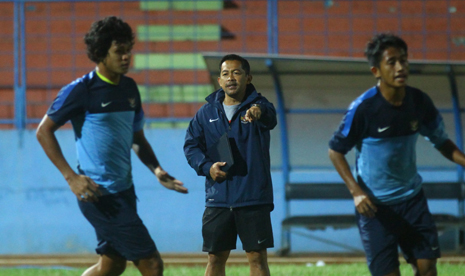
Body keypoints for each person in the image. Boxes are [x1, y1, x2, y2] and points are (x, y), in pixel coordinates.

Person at [36, 16, 188, 276]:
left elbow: (137, 139)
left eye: (129, 50)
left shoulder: (129, 88)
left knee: (111, 265)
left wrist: (157, 170)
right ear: (100, 53)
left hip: (124, 191)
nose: (127, 57)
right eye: (119, 51)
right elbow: (43, 132)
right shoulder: (81, 90)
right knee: (151, 264)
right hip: (99, 195)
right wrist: (71, 177)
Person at [328, 33, 465, 276]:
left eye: (404, 60)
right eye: (392, 62)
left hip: (412, 200)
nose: (400, 67)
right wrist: (356, 192)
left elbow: (442, 142)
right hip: (376, 208)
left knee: (427, 268)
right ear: (376, 71)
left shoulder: (419, 102)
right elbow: (336, 151)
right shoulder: (363, 109)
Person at [184, 54, 277, 276]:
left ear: (248, 77)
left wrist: (258, 111)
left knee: (257, 258)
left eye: (237, 72)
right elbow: (191, 147)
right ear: (219, 80)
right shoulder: (206, 113)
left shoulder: (261, 106)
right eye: (226, 73)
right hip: (219, 198)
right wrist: (208, 168)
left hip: (253, 196)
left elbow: (270, 117)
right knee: (215, 258)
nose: (231, 78)